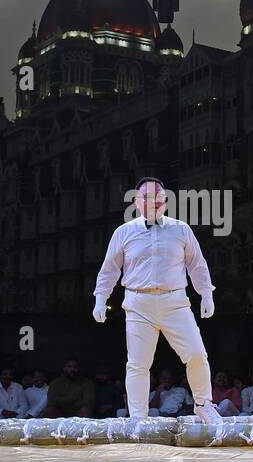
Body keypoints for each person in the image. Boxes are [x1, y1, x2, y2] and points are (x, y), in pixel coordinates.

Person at [92, 177, 222, 424]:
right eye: (148, 197)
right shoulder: (124, 232)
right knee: (138, 364)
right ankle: (138, 418)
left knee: (196, 354)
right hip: (138, 303)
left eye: (159, 197)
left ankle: (204, 405)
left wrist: (206, 293)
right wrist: (101, 298)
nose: (155, 202)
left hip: (175, 301)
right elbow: (109, 270)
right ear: (136, 202)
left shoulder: (181, 229)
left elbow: (197, 264)